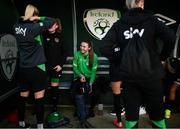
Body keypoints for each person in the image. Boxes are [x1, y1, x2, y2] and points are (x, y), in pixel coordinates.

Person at [100, 0, 176, 128]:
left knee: (131, 116)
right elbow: (171, 38)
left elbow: (104, 47)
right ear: (141, 3)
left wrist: (122, 58)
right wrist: (161, 58)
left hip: (130, 77)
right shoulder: (152, 20)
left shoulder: (119, 24)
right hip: (152, 75)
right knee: (157, 115)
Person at [13, 4, 55, 129]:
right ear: (33, 15)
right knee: (39, 99)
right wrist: (38, 18)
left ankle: (21, 123)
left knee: (22, 97)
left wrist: (25, 18)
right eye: (35, 16)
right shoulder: (34, 27)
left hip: (23, 69)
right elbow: (51, 21)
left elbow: (20, 23)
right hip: (37, 68)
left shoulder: (16, 26)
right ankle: (40, 126)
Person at [71, 40, 98, 127]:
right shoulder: (77, 54)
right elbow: (74, 68)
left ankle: (90, 110)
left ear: (89, 48)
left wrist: (90, 84)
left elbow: (94, 72)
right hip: (79, 77)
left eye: (84, 46)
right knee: (73, 93)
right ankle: (79, 110)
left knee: (95, 92)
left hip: (90, 78)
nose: (82, 48)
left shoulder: (94, 56)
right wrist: (80, 75)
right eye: (81, 46)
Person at [43, 18, 67, 112]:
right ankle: (39, 107)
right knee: (41, 88)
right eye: (48, 24)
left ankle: (54, 107)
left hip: (56, 68)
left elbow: (65, 53)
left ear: (57, 26)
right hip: (43, 67)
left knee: (54, 88)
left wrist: (60, 65)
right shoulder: (43, 36)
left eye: (52, 24)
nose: (50, 25)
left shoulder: (61, 37)